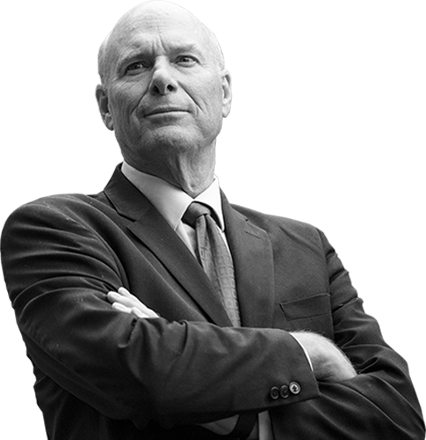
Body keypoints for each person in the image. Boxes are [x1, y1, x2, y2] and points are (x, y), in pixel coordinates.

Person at [1, 2, 424, 439]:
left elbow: (398, 416)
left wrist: (234, 412)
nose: (162, 78)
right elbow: (132, 371)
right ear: (106, 107)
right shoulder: (53, 230)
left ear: (224, 94)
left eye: (184, 59)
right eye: (136, 66)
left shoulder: (307, 248)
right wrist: (309, 352)